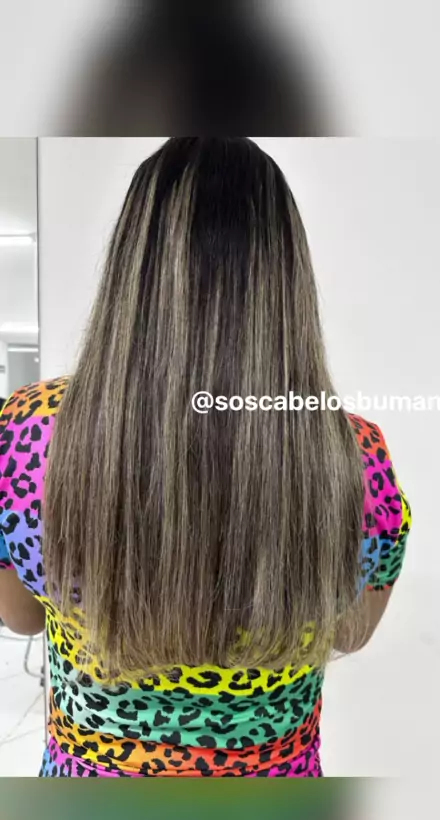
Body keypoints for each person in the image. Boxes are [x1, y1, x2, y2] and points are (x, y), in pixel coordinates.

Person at [0, 137, 411, 779]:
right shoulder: (353, 455)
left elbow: (21, 617)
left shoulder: (30, 432)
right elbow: (349, 632)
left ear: (133, 264)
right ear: (284, 280)